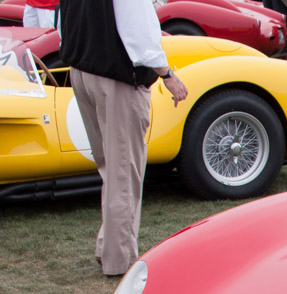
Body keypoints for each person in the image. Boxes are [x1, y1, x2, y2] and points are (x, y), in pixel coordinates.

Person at [58, 0, 189, 277]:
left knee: (111, 166)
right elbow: (138, 30)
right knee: (122, 170)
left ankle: (108, 245)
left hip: (83, 69)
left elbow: (64, 22)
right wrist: (166, 74)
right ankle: (120, 260)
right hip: (116, 76)